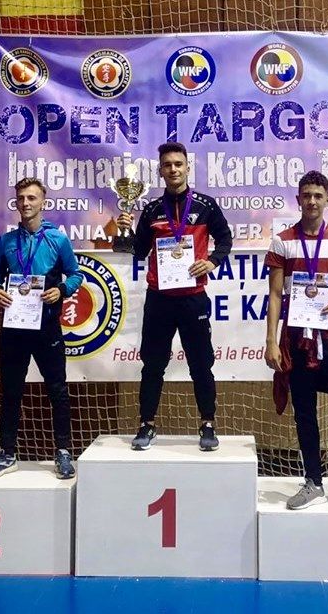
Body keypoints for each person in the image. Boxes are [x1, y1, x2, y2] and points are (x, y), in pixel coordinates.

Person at [116, 142, 232, 451]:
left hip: (193, 298)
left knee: (201, 365)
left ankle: (208, 424)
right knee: (152, 365)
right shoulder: (152, 209)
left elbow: (225, 239)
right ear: (160, 171)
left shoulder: (205, 206)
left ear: (187, 168)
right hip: (160, 299)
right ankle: (146, 424)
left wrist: (212, 261)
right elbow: (139, 251)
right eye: (167, 165)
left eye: (178, 164)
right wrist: (125, 231)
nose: (173, 169)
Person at [264, 171, 328, 510]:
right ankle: (312, 481)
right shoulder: (282, 241)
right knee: (304, 410)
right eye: (306, 195)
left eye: (318, 196)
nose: (312, 201)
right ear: (298, 200)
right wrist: (271, 341)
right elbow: (275, 295)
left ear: (327, 200)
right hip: (296, 338)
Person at [0, 177, 83, 479]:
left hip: (47, 327)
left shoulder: (58, 240)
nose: (25, 203)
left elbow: (75, 274)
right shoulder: (6, 241)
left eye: (32, 198)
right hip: (14, 327)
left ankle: (63, 452)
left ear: (43, 202)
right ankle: (7, 453)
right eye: (21, 198)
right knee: (11, 391)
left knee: (57, 390)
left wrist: (61, 290)